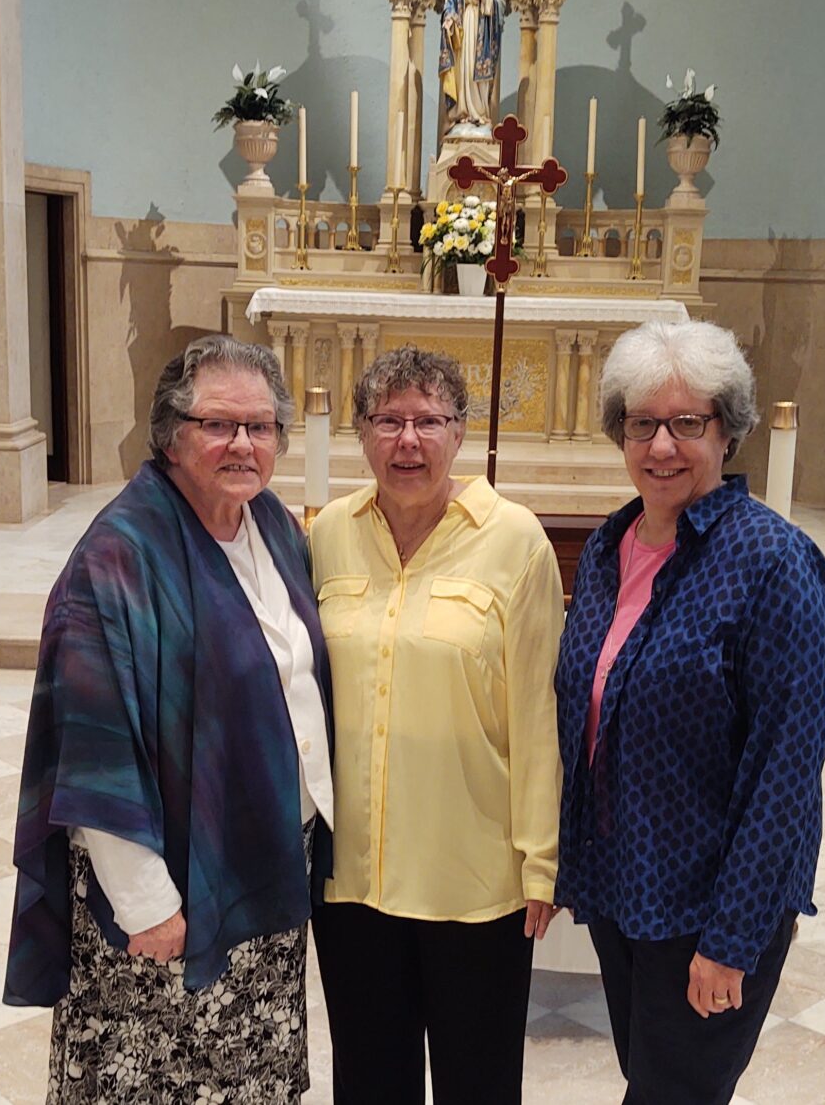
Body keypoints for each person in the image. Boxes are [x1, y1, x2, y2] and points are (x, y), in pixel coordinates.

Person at [3, 334, 334, 1104]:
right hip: (169, 901)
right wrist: (146, 901)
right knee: (160, 1079)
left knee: (246, 1074)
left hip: (262, 875)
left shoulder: (272, 527)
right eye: (219, 424)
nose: (243, 443)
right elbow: (94, 744)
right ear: (169, 435)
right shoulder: (119, 556)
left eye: (261, 426)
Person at [555, 321, 825, 1105]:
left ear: (728, 431)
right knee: (652, 1079)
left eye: (689, 423)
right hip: (623, 889)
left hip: (708, 904)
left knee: (675, 1093)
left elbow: (785, 773)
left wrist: (731, 940)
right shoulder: (613, 545)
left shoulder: (774, 562)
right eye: (643, 422)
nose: (662, 446)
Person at [309, 345, 564, 1105]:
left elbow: (537, 711)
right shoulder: (328, 535)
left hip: (472, 876)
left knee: (477, 1082)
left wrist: (541, 861)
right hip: (352, 875)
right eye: (388, 420)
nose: (407, 441)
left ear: (460, 431)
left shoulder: (515, 540)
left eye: (428, 420)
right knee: (368, 1080)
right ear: (361, 433)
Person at [439, 0, 506, 131]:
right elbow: (449, 5)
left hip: (483, 32)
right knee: (465, 70)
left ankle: (479, 112)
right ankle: (462, 112)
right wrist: (449, 19)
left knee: (480, 77)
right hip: (464, 32)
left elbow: (501, 4)